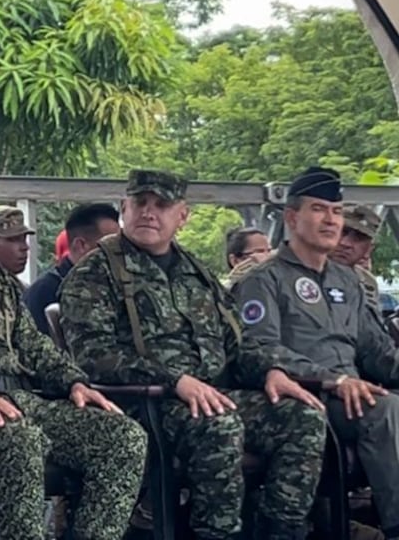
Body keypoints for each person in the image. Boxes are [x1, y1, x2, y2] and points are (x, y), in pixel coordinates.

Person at [59, 169, 328, 540]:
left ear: (182, 216)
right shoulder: (96, 272)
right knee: (219, 425)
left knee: (304, 416)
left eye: (162, 205)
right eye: (140, 202)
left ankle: (278, 532)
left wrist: (271, 371)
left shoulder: (195, 271)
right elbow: (92, 355)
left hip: (214, 395)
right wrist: (175, 381)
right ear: (124, 208)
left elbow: (237, 341)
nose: (149, 212)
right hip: (145, 405)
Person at [0, 212, 146, 540]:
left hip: (22, 399)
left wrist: (74, 382)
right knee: (20, 440)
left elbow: (32, 343)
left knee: (124, 436)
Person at [233, 167, 399, 539]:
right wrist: (332, 379)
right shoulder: (264, 279)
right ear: (292, 218)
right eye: (319, 209)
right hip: (306, 397)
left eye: (336, 212)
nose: (331, 220)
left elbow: (377, 351)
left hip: (354, 394)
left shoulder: (348, 281)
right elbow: (258, 348)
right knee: (387, 410)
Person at [23, 203, 120, 335]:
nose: (119, 250)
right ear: (81, 245)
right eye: (110, 243)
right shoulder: (44, 292)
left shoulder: (115, 284)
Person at [331, 203, 383, 312]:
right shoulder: (302, 272)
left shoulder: (368, 282)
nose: (346, 243)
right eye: (342, 232)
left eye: (359, 238)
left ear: (369, 249)